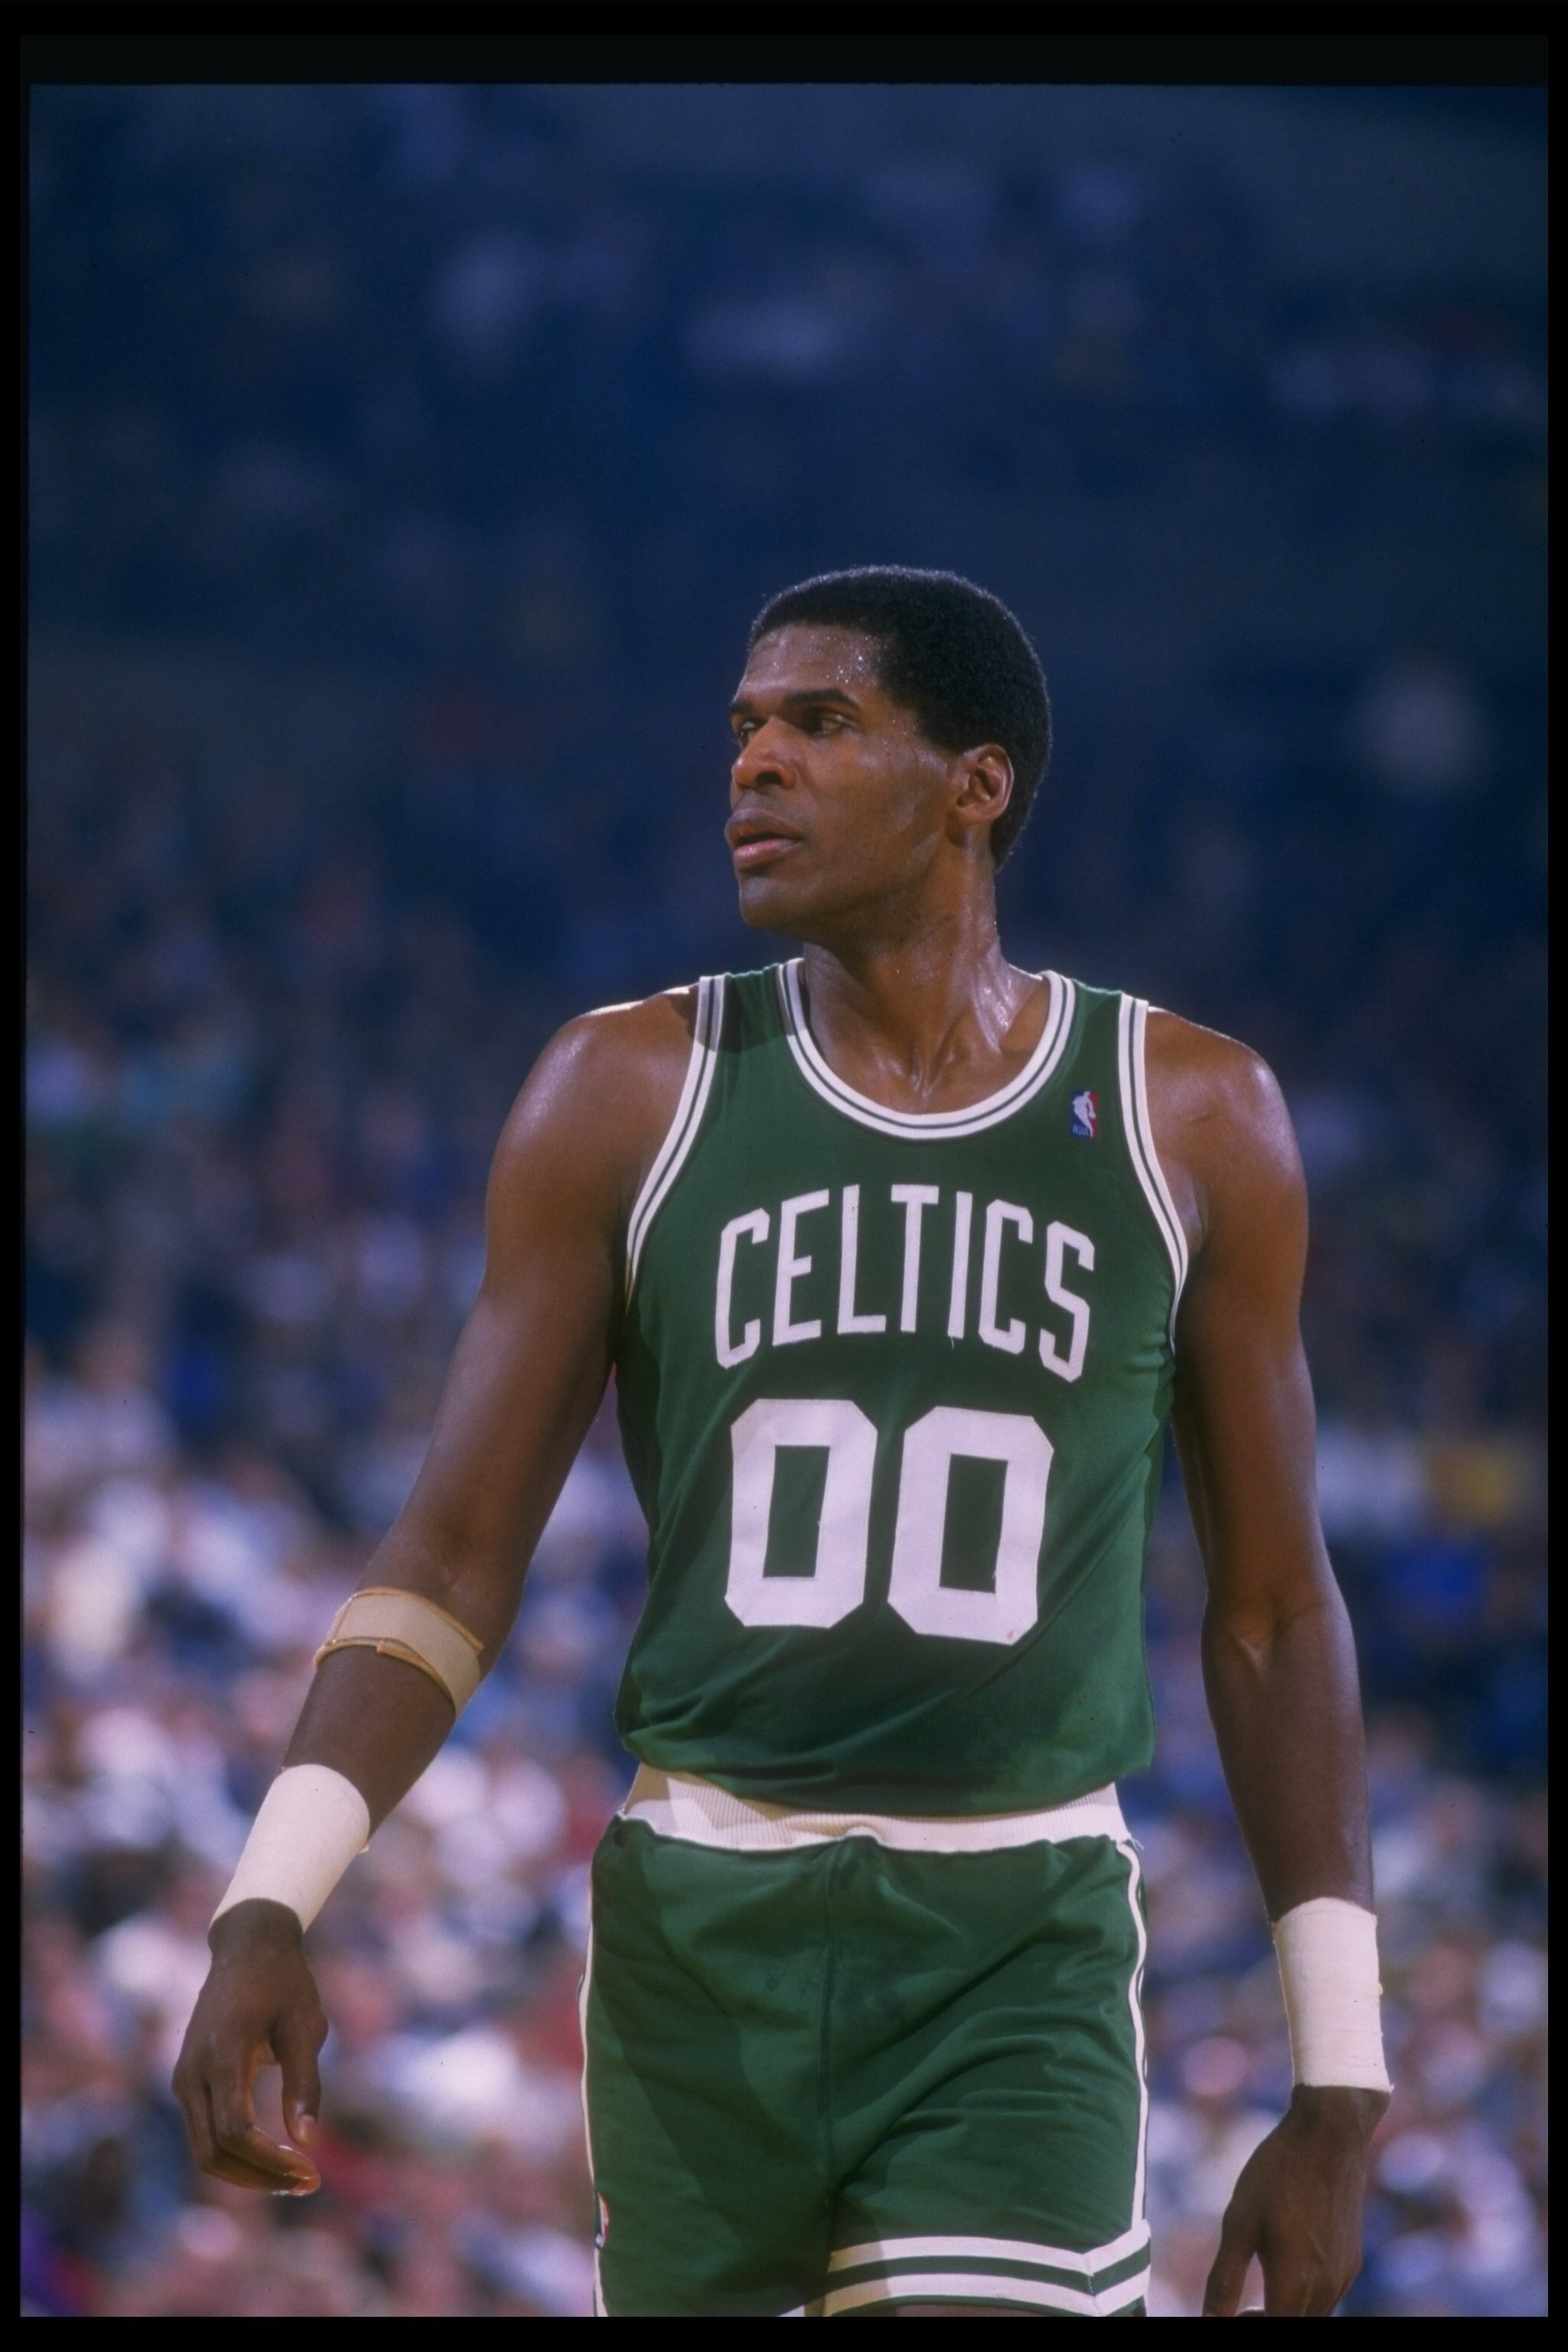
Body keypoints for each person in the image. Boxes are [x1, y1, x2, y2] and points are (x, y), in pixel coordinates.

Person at [174, 567, 1390, 2318]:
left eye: (820, 724)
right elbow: (445, 1559)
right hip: (698, 1929)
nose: (754, 764)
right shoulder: (624, 1088)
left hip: (1015, 1928)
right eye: (744, 728)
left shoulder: (1190, 1113)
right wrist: (266, 1905)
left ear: (975, 785)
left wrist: (1338, 2077)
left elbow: (1275, 1610)